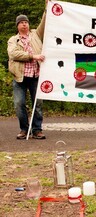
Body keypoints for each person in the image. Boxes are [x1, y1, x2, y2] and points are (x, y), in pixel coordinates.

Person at [7, 0, 48, 139]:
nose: (24, 23)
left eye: (26, 22)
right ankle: (24, 129)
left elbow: (45, 22)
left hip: (36, 76)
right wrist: (33, 56)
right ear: (18, 26)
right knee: (19, 104)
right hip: (20, 77)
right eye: (21, 22)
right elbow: (13, 54)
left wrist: (47, 7)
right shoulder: (13, 40)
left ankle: (37, 130)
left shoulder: (36, 34)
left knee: (38, 104)